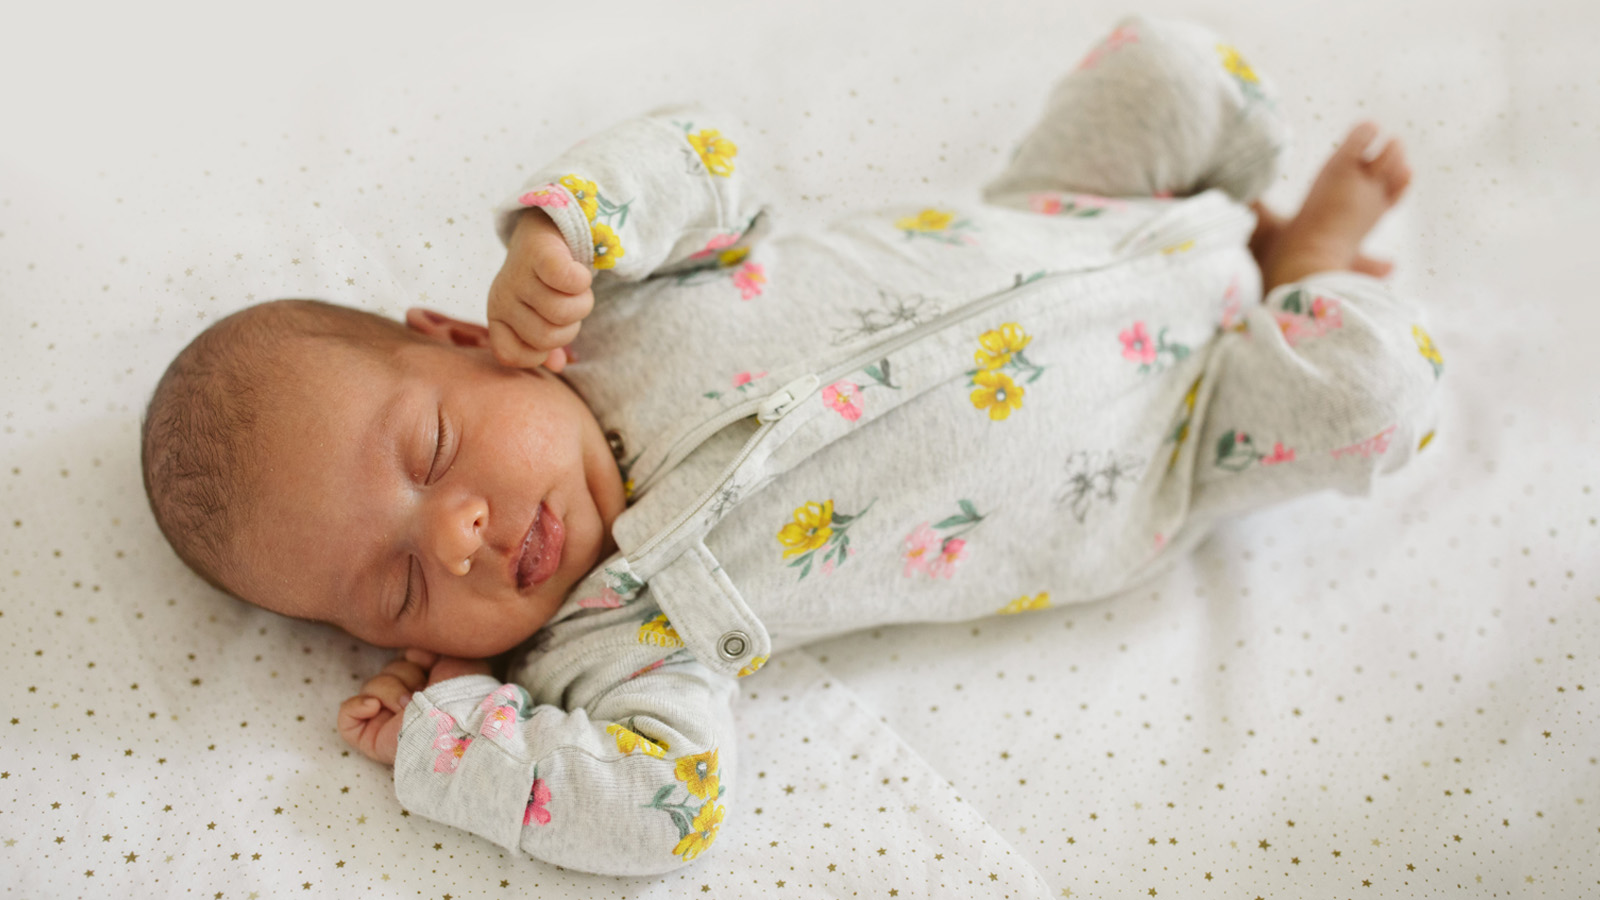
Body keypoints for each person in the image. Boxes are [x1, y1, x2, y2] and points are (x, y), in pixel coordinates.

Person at [139, 14, 1441, 876]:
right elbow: (669, 818)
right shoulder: (610, 646)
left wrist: (571, 228)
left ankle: (1247, 228)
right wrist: (453, 739)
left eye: (429, 455)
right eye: (401, 585)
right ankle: (1295, 276)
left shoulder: (605, 310)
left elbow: (713, 153)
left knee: (1173, 65)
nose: (460, 535)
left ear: (455, 335)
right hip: (1166, 433)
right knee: (1376, 385)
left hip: (1069, 213)